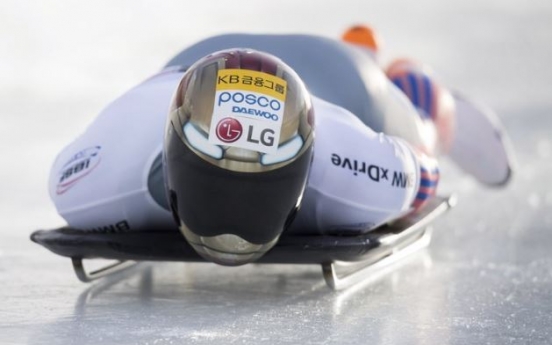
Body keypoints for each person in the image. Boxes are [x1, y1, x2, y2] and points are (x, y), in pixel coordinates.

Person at [48, 30, 510, 266]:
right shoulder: (93, 181)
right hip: (190, 68)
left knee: (424, 129)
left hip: (345, 81)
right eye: (213, 184)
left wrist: (420, 131)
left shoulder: (361, 172)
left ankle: (389, 65)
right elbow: (417, 181)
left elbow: (420, 172)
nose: (232, 230)